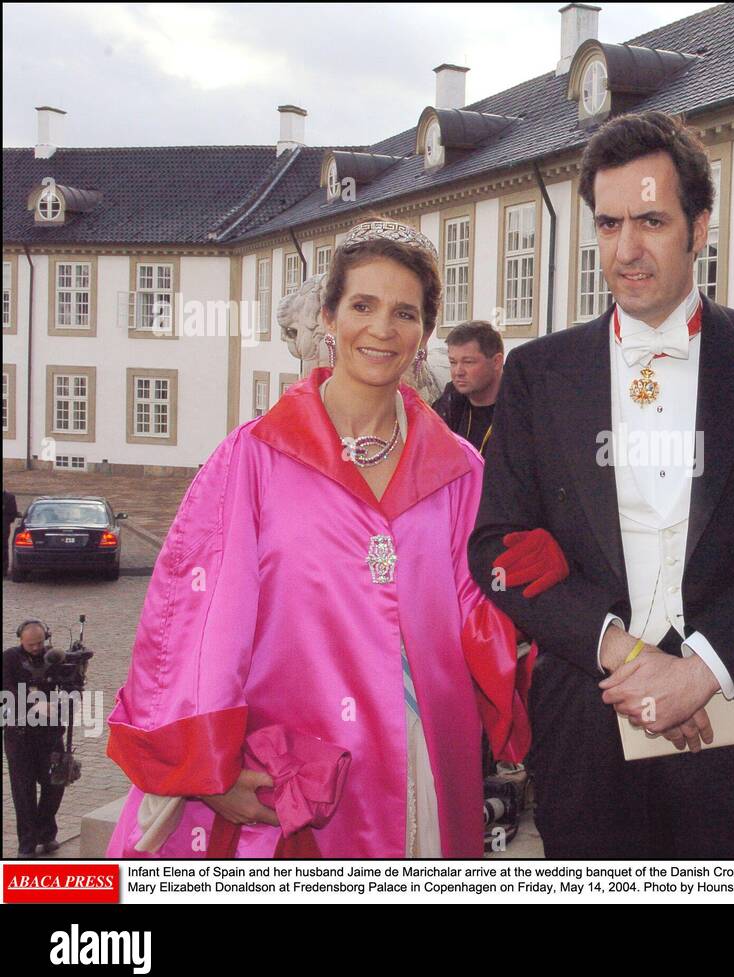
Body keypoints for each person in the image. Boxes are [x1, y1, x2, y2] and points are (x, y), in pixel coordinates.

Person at [104, 218, 532, 858]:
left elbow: (480, 618)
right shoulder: (255, 457)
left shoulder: (460, 470)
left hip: (422, 757)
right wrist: (204, 762)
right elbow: (196, 615)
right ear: (329, 316)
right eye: (362, 305)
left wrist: (537, 586)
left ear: (424, 333)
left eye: (404, 312)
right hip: (292, 761)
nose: (382, 328)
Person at [468, 110, 734, 859]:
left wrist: (703, 668)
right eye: (607, 225)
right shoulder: (541, 373)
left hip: (733, 708)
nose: (626, 250)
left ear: (700, 227)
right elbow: (495, 548)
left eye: (652, 221)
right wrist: (629, 660)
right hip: (587, 710)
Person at [3, 620, 67, 856]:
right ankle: (27, 844)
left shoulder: (53, 657)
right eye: (31, 644)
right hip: (19, 736)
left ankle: (46, 831)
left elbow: (69, 687)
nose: (36, 648)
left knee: (56, 784)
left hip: (49, 733)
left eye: (40, 643)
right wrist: (35, 703)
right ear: (20, 640)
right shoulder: (9, 659)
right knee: (24, 791)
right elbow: (5, 691)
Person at [434, 319, 505, 455]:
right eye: (453, 362)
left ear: (496, 362)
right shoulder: (448, 405)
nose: (458, 372)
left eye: (468, 362)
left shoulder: (521, 408)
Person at [2, 488, 17, 578]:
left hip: (4, 528)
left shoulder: (9, 497)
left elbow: (12, 514)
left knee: (4, 549)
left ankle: (4, 571)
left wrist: (6, 521)